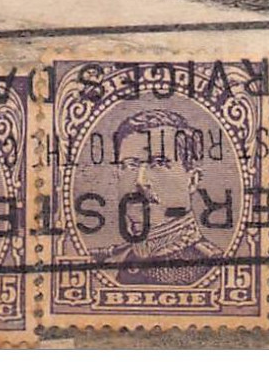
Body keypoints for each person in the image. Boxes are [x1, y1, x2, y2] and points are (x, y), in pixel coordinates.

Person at [90, 109, 223, 284]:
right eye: (131, 165)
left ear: (191, 180)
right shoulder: (106, 261)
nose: (140, 181)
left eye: (159, 163)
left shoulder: (211, 265)